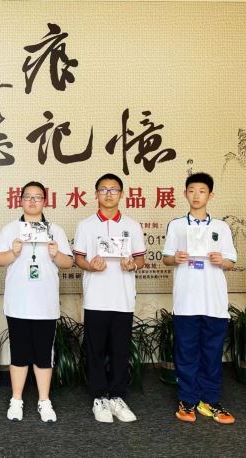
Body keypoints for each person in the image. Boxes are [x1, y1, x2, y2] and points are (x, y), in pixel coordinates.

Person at [0, 181, 74, 423]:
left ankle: (44, 401)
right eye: (27, 197)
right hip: (18, 303)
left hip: (45, 304)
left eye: (37, 197)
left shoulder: (55, 230)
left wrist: (56, 254)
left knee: (44, 354)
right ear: (20, 201)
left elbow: (68, 263)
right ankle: (16, 399)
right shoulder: (11, 229)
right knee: (19, 353)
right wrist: (13, 253)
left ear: (45, 201)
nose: (32, 201)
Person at [162, 172, 237, 424]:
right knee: (186, 352)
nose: (196, 195)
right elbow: (166, 258)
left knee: (212, 353)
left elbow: (231, 262)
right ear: (185, 194)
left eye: (202, 191)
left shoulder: (221, 227)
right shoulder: (176, 225)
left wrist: (221, 260)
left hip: (214, 302)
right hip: (186, 302)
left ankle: (210, 400)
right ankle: (187, 399)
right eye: (192, 190)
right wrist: (176, 258)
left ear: (210, 195)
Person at [73, 173, 146, 423]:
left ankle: (117, 396)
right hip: (96, 298)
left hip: (123, 299)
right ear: (96, 194)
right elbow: (78, 258)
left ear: (121, 194)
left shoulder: (132, 226)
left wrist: (132, 265)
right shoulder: (86, 225)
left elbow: (140, 259)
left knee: (120, 349)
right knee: (95, 349)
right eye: (103, 189)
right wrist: (90, 265)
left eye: (113, 189)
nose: (108, 194)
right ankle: (98, 397)